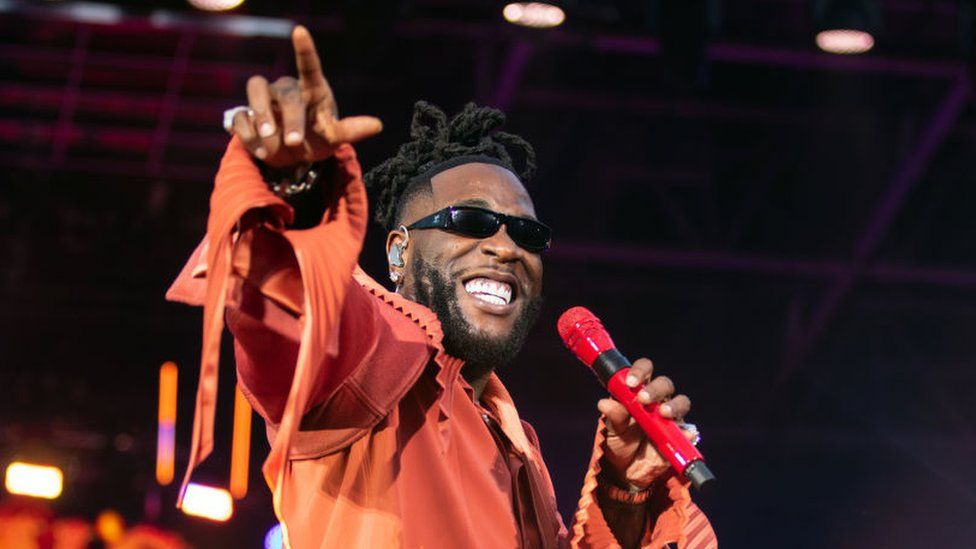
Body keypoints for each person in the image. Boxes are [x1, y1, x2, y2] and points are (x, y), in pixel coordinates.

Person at [167, 26, 716, 549]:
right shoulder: (365, 359)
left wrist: (627, 489)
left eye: (526, 233)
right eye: (470, 222)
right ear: (400, 252)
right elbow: (298, 302)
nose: (506, 247)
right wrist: (299, 188)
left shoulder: (520, 450)